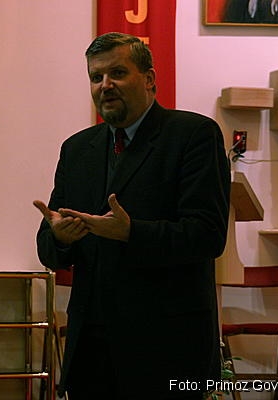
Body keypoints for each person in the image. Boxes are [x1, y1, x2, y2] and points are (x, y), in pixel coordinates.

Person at [33, 32, 230, 400]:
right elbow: (49, 248)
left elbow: (208, 235)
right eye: (96, 77)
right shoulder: (77, 149)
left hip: (167, 350)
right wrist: (59, 238)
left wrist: (131, 232)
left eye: (118, 73)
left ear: (150, 79)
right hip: (92, 351)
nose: (105, 85)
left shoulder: (193, 135)